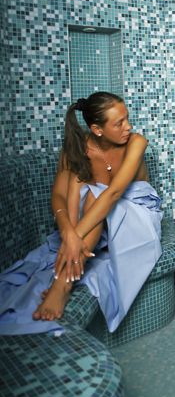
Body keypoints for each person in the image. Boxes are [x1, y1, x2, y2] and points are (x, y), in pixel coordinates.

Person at [0, 92, 163, 335]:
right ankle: (65, 282)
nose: (128, 126)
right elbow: (59, 195)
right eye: (119, 123)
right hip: (99, 219)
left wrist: (74, 236)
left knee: (98, 196)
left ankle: (62, 285)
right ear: (97, 129)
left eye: (127, 118)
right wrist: (68, 234)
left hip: (137, 213)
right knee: (86, 189)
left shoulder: (136, 142)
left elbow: (114, 193)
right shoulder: (78, 148)